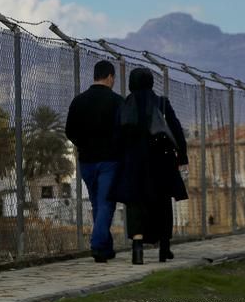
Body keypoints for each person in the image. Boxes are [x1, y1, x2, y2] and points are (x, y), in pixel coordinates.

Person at [113, 67, 189, 265]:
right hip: (161, 161)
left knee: (135, 202)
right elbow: (176, 130)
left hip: (133, 163)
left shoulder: (125, 105)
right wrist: (182, 156)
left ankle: (137, 249)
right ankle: (164, 247)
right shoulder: (162, 103)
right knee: (162, 202)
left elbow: (117, 136)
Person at [65, 60, 124, 263]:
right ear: (110, 77)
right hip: (110, 159)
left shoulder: (78, 101)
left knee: (98, 202)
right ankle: (98, 245)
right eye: (113, 78)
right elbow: (125, 130)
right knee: (106, 202)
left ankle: (106, 247)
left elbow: (69, 131)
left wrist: (84, 144)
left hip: (87, 160)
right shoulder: (118, 101)